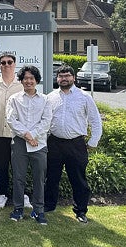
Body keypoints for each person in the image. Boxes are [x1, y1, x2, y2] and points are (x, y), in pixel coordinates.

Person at [44, 64, 102, 223]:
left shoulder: (84, 97)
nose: (64, 79)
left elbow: (95, 120)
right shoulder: (51, 97)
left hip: (76, 144)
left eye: (67, 76)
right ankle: (49, 206)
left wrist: (93, 141)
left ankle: (81, 211)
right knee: (51, 177)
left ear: (73, 78)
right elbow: (46, 120)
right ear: (57, 79)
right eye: (61, 76)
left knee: (78, 179)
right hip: (54, 143)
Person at [6, 65, 52, 225]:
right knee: (19, 178)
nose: (28, 81)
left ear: (36, 80)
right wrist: (27, 135)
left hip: (39, 143)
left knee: (39, 178)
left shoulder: (45, 99)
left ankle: (38, 210)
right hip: (19, 142)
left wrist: (33, 136)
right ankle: (18, 208)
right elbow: (11, 120)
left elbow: (46, 121)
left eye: (31, 78)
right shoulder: (14, 99)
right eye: (25, 78)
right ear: (21, 80)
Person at [0, 53, 31, 208]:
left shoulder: (22, 86)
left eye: (9, 62)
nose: (6, 65)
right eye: (3, 63)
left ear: (15, 64)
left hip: (17, 135)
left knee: (19, 166)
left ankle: (22, 194)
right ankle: (2, 194)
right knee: (1, 166)